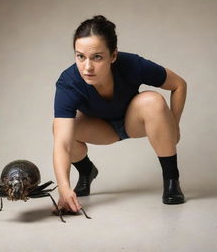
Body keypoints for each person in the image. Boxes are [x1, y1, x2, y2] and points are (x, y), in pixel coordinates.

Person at [52, 15, 187, 213]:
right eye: (80, 56)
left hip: (135, 122)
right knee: (59, 129)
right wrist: (64, 187)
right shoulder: (69, 82)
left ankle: (172, 180)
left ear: (113, 55)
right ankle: (87, 171)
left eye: (97, 57)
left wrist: (173, 125)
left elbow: (179, 85)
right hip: (102, 130)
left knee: (153, 100)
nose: (87, 67)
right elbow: (62, 144)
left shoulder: (131, 64)